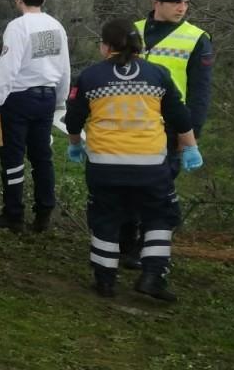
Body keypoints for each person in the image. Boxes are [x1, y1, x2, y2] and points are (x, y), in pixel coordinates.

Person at [65, 18, 202, 301]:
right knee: (159, 216)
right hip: (150, 166)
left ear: (105, 47)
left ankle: (105, 281)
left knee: (105, 217)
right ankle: (152, 276)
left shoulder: (90, 77)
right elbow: (180, 116)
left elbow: (74, 120)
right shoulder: (158, 74)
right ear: (139, 46)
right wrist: (190, 147)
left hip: (104, 165)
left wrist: (76, 145)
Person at [120, 0, 215, 268]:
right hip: (128, 125)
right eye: (176, 2)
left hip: (170, 128)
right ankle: (125, 244)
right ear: (156, 3)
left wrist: (191, 138)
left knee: (156, 193)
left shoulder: (197, 38)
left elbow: (200, 92)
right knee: (125, 189)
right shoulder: (131, 31)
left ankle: (143, 249)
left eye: (186, 2)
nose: (182, 8)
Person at [0, 0, 70, 233]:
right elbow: (64, 66)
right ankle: (44, 211)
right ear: (43, 0)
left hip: (18, 98)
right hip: (47, 97)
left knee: (12, 157)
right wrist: (60, 101)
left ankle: (14, 214)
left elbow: (7, 69)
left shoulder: (17, 27)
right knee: (42, 157)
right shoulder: (56, 26)